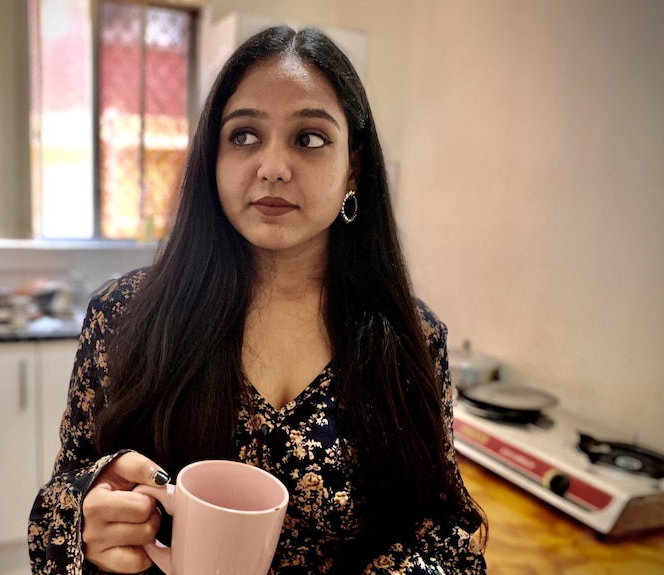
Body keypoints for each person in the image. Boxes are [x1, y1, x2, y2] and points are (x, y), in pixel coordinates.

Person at [29, 25, 487, 575]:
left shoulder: (410, 336)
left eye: (310, 138)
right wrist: (88, 521)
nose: (272, 166)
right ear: (212, 158)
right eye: (244, 135)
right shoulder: (125, 317)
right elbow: (67, 490)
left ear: (354, 170)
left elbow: (440, 527)